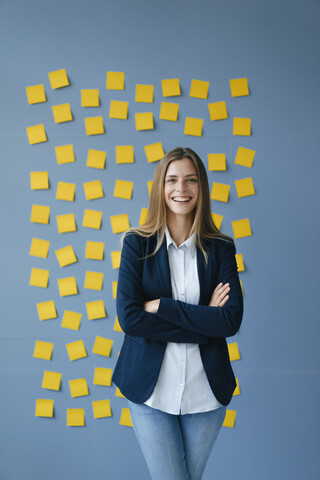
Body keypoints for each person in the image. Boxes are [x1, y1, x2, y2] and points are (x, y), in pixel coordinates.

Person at [113, 147, 243, 480]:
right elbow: (130, 319)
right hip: (150, 391)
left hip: (206, 394)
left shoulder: (221, 247)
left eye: (190, 180)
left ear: (201, 188)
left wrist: (163, 307)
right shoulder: (136, 244)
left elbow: (230, 320)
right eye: (172, 180)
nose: (180, 189)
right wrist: (203, 321)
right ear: (160, 186)